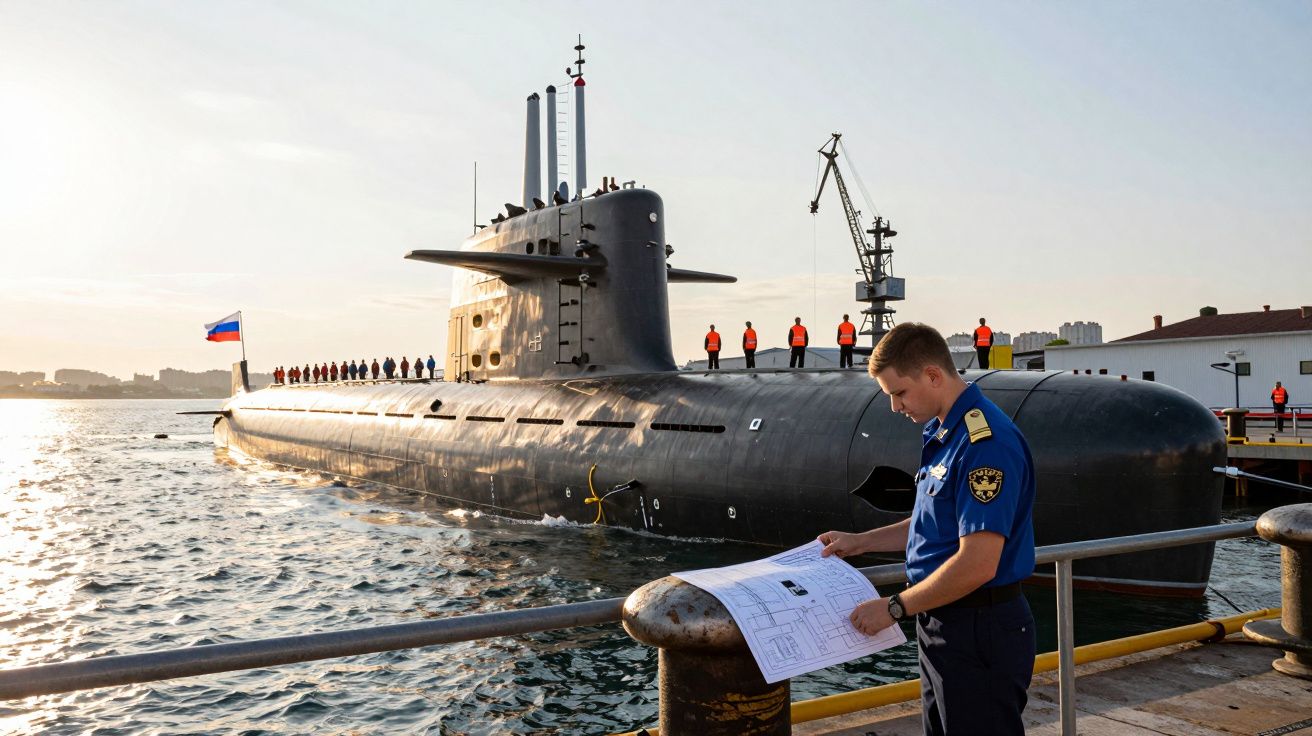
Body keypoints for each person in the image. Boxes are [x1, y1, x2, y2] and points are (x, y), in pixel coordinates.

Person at [818, 322, 1036, 736]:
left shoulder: (984, 443)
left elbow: (978, 563)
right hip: (943, 623)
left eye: (899, 393)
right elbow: (930, 523)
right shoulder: (943, 433)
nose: (895, 407)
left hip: (978, 629)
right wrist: (861, 542)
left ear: (933, 375)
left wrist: (893, 608)